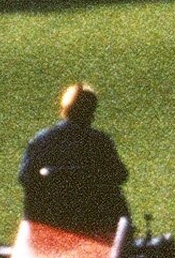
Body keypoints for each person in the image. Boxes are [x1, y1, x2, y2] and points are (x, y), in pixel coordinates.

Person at [19, 83, 131, 237]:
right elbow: (120, 175)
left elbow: (25, 178)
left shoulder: (41, 141)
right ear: (91, 112)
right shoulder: (99, 142)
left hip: (51, 218)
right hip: (95, 218)